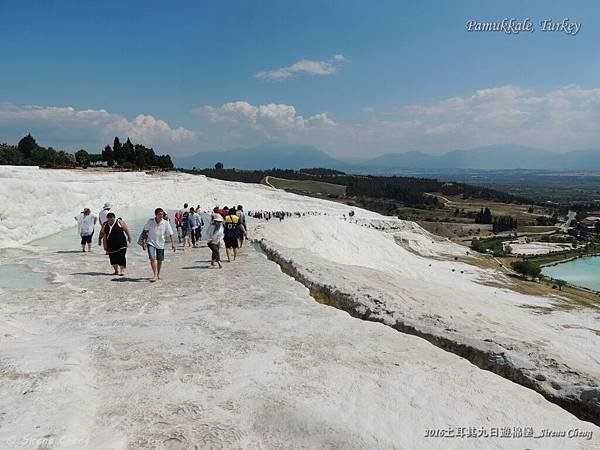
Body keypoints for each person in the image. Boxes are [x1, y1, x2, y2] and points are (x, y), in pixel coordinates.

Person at [141, 208, 176, 282]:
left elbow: (171, 234)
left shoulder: (166, 223)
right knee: (152, 258)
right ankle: (155, 275)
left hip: (161, 243)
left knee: (159, 260)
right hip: (150, 242)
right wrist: (144, 242)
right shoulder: (150, 221)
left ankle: (158, 274)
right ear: (156, 215)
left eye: (162, 214)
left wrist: (173, 244)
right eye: (160, 214)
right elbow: (145, 231)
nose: (161, 215)